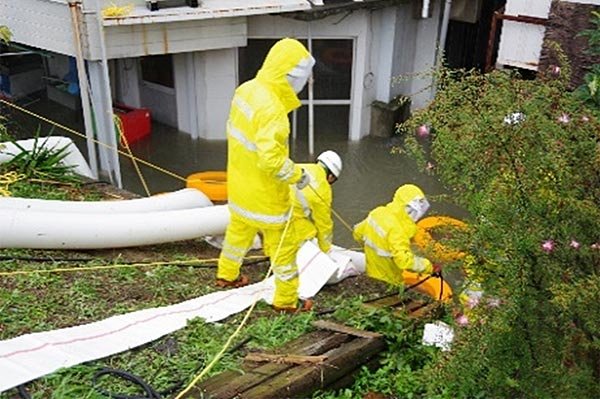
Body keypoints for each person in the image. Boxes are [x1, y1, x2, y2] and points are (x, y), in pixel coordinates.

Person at [216, 38, 316, 313]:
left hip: (238, 186)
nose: (305, 84)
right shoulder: (274, 111)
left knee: (237, 234)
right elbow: (271, 159)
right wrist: (297, 174)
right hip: (266, 197)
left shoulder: (246, 90)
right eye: (303, 78)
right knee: (283, 248)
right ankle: (285, 300)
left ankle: (227, 274)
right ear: (289, 76)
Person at [352, 184, 441, 287]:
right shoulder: (398, 230)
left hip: (371, 269)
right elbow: (404, 261)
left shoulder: (378, 212)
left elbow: (357, 233)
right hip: (390, 279)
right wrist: (430, 267)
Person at [291, 150, 342, 254]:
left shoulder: (300, 166)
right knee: (310, 231)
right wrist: (326, 251)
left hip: (265, 208)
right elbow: (324, 225)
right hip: (285, 220)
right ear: (331, 176)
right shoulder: (324, 188)